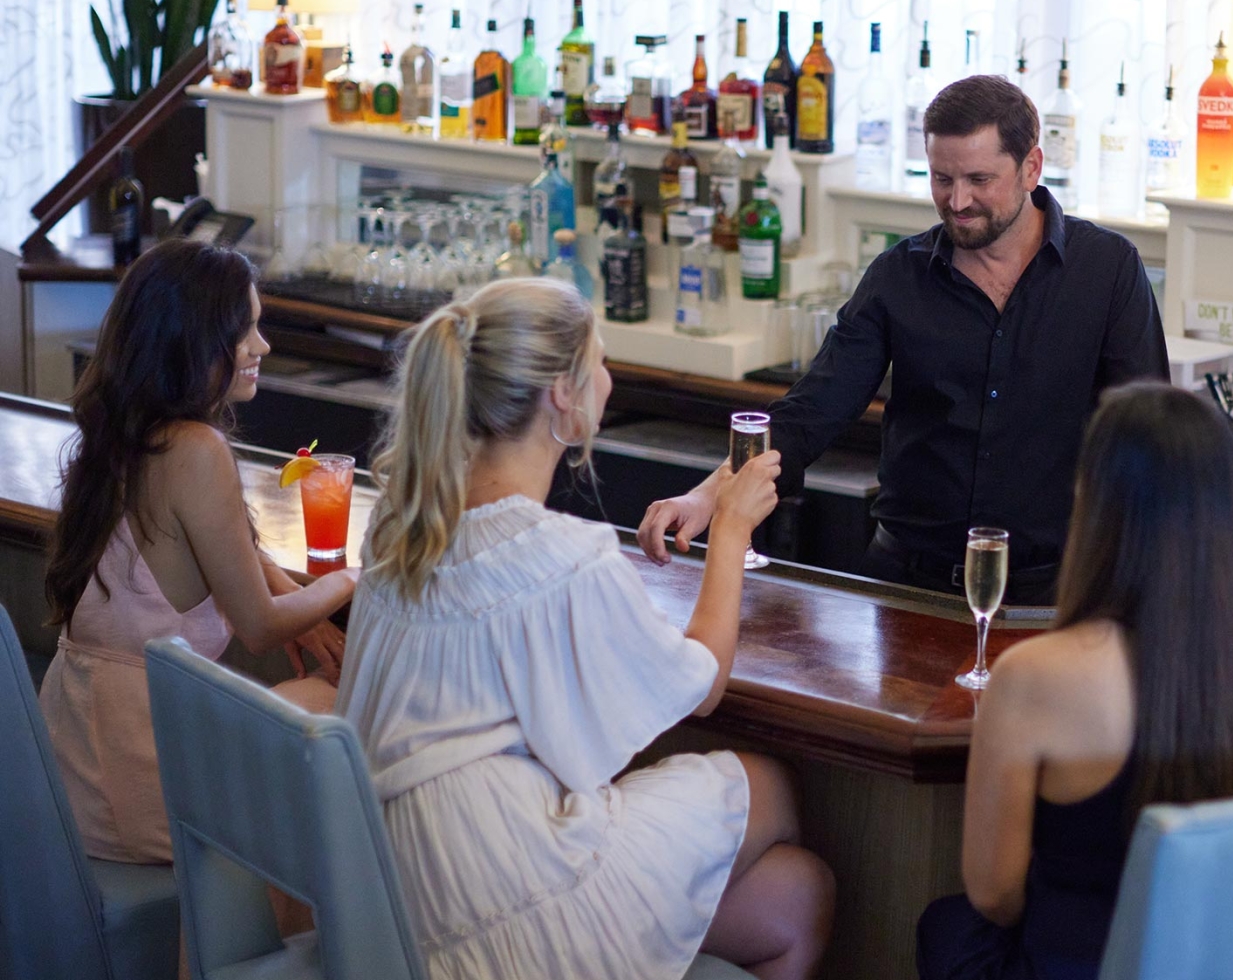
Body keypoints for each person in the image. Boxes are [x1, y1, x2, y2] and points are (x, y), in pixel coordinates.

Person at [333, 278, 833, 980]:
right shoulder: (561, 555)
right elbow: (703, 687)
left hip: (400, 887)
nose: (609, 377)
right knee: (767, 783)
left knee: (799, 894)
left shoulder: (399, 531)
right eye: (598, 360)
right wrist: (731, 531)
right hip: (504, 889)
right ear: (562, 395)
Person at [640, 74, 1170, 606]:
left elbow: (1151, 439)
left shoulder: (1106, 269)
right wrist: (708, 494)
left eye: (979, 179)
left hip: (1053, 594)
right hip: (907, 585)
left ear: (1032, 166)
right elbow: (811, 412)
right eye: (942, 178)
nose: (957, 201)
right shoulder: (898, 277)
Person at [917, 382, 1233, 980]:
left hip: (1072, 964)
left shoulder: (1031, 675)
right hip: (1209, 963)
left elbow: (994, 893)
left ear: (1092, 502)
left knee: (943, 927)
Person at [40, 239, 354, 864]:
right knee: (338, 724)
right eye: (247, 330)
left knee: (323, 727)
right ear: (194, 339)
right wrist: (347, 582)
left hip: (79, 762)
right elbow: (262, 629)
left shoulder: (127, 435)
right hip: (136, 771)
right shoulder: (196, 450)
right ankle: (264, 950)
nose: (262, 347)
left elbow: (224, 552)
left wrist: (306, 606)